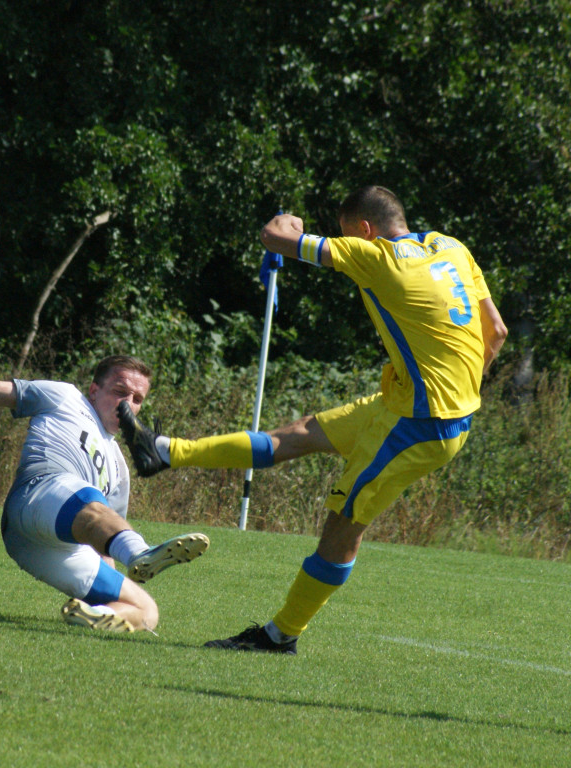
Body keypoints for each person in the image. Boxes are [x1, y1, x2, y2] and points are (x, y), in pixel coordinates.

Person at [120, 186, 507, 653]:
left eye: (349, 235)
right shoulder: (451, 246)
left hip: (419, 425)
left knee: (343, 527)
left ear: (364, 230)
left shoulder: (376, 257)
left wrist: (294, 221)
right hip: (412, 405)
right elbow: (497, 332)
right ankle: (162, 453)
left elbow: (275, 236)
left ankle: (281, 635)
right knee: (299, 434)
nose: (349, 245)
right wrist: (465, 384)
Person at [0, 356, 210, 632]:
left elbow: (102, 541)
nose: (128, 404)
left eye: (137, 399)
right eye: (120, 391)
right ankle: (139, 551)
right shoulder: (65, 396)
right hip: (36, 498)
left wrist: (108, 583)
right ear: (94, 389)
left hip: (45, 549)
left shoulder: (120, 467)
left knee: (147, 610)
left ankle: (95, 617)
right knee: (88, 496)